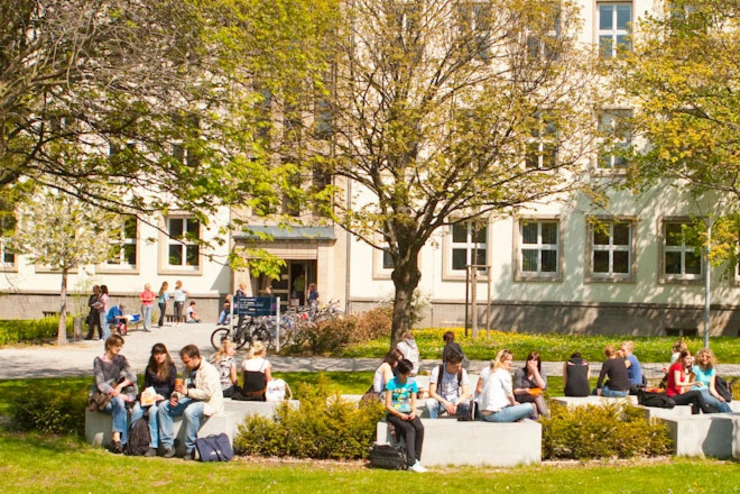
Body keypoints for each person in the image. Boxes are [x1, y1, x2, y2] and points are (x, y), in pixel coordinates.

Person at [158, 345, 224, 459]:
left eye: (186, 361)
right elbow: (182, 388)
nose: (185, 364)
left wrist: (187, 392)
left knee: (190, 411)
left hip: (208, 402)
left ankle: (190, 448)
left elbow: (207, 393)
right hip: (191, 398)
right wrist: (175, 396)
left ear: (195, 358)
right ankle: (168, 446)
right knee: (164, 406)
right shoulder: (188, 370)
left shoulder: (209, 370)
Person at [91, 334, 137, 454]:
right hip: (102, 398)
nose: (119, 348)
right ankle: (122, 442)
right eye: (117, 346)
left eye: (120, 346)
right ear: (109, 346)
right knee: (120, 406)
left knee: (119, 406)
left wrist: (120, 386)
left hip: (115, 397)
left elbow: (133, 376)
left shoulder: (121, 360)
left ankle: (117, 440)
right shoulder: (98, 361)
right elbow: (100, 384)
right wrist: (113, 392)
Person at [130, 343, 177, 457]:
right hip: (150, 396)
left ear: (166, 354)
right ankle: (133, 441)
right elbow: (146, 385)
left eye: (161, 354)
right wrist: (145, 394)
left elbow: (172, 387)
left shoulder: (171, 368)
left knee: (153, 411)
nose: (159, 356)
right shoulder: (150, 368)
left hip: (163, 397)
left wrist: (163, 396)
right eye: (156, 354)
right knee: (136, 409)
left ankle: (153, 445)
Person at [385, 358, 427, 473]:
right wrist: (399, 415)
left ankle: (417, 460)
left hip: (408, 411)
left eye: (409, 374)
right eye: (405, 374)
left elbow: (413, 401)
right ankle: (411, 462)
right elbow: (388, 406)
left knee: (419, 428)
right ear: (400, 372)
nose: (407, 377)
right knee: (409, 429)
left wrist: (413, 412)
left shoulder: (412, 383)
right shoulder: (391, 383)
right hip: (394, 413)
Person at [478, 349, 534, 423]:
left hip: (482, 413)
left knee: (513, 406)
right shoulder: (504, 373)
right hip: (495, 415)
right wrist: (514, 404)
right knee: (530, 407)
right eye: (507, 360)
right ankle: (517, 418)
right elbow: (509, 394)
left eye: (511, 360)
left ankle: (516, 418)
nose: (510, 363)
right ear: (501, 360)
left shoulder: (489, 370)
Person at [425, 349, 471, 419]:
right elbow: (431, 392)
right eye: (456, 366)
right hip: (440, 400)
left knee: (467, 405)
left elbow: (465, 393)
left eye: (460, 366)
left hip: (455, 400)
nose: (459, 368)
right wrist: (446, 403)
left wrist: (456, 403)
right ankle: (433, 421)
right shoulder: (437, 370)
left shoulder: (462, 372)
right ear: (448, 364)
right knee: (430, 404)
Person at [666, 349, 712, 415]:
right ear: (681, 358)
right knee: (697, 393)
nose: (689, 361)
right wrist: (694, 383)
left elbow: (679, 386)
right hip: (672, 396)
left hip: (678, 394)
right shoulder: (677, 366)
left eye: (690, 358)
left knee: (695, 398)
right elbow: (677, 383)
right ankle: (706, 410)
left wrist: (683, 391)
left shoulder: (683, 368)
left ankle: (695, 416)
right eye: (687, 358)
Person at [691, 348, 732, 413]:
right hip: (697, 391)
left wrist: (718, 397)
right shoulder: (696, 369)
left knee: (722, 402)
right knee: (717, 403)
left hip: (707, 391)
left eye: (707, 356)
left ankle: (731, 417)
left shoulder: (712, 370)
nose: (704, 358)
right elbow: (690, 383)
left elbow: (711, 388)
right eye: (702, 356)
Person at [513, 351, 549, 419]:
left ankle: (538, 419)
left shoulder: (541, 371)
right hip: (522, 396)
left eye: (535, 361)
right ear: (527, 362)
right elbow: (516, 390)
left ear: (538, 363)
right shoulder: (520, 372)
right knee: (537, 397)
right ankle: (547, 417)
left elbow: (543, 386)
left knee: (534, 404)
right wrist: (525, 390)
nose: (532, 362)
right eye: (530, 360)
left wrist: (535, 372)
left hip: (535, 395)